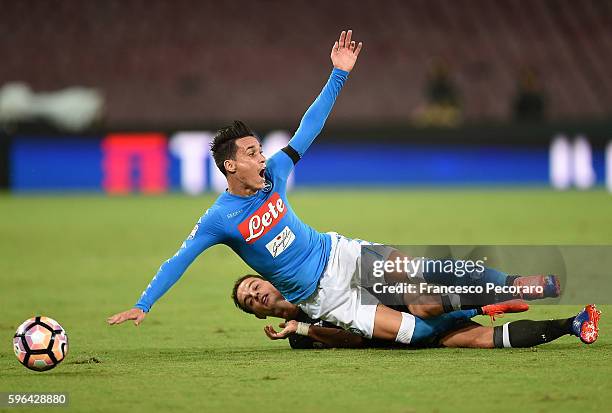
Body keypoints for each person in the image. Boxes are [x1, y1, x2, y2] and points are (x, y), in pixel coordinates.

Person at [106, 29, 557, 347]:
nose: (262, 157)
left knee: (433, 272)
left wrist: (338, 74)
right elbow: (178, 260)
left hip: (344, 255)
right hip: (325, 299)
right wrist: (144, 304)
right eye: (250, 153)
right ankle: (479, 311)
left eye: (260, 149)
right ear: (230, 166)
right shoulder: (220, 219)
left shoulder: (276, 173)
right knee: (417, 332)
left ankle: (518, 284)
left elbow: (309, 127)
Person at [231, 275, 601, 349]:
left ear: (267, 280)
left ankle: (491, 296)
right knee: (481, 341)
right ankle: (574, 324)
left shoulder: (307, 278)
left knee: (430, 310)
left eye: (254, 287)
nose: (256, 296)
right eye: (250, 302)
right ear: (261, 317)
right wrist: (305, 331)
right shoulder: (297, 336)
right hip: (400, 337)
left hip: (401, 306)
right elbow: (349, 339)